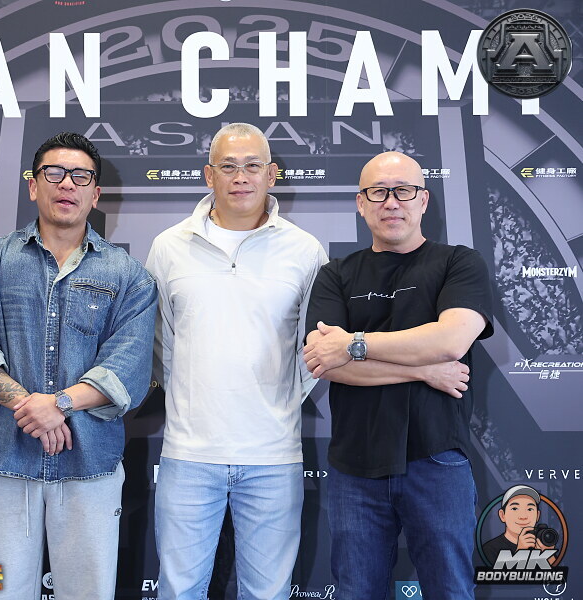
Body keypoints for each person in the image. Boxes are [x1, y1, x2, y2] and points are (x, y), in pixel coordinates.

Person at [0, 132, 157, 600]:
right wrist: (35, 408)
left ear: (95, 193)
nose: (67, 184)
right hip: (2, 462)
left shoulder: (129, 276)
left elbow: (128, 368)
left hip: (90, 466)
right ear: (33, 186)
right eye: (54, 173)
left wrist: (57, 404)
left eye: (80, 176)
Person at [146, 122, 327, 600]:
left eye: (252, 166)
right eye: (228, 166)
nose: (240, 177)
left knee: (267, 594)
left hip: (273, 456)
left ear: (272, 174)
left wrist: (278, 399)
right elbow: (158, 342)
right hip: (188, 455)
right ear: (209, 175)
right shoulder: (168, 246)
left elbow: (314, 349)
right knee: (178, 592)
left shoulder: (305, 250)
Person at [303, 151, 494, 599]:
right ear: (361, 203)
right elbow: (327, 363)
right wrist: (425, 369)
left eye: (403, 191)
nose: (391, 202)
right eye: (378, 192)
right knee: (356, 592)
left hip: (437, 458)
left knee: (450, 590)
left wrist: (354, 344)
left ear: (423, 200)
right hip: (355, 467)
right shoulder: (335, 275)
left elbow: (451, 341)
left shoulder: (459, 263)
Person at [482, 485, 558, 565]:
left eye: (530, 509)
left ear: (537, 516)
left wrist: (548, 554)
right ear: (502, 515)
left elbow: (558, 572)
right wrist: (520, 552)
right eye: (515, 508)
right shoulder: (490, 549)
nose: (523, 516)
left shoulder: (541, 544)